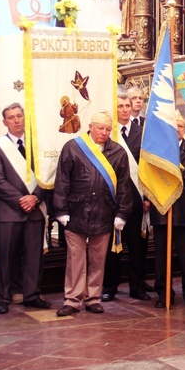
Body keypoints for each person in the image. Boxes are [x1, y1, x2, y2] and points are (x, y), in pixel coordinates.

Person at [53, 111, 133, 316]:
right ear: (91, 127)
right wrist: (61, 210)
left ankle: (94, 298)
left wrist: (122, 214)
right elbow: (62, 181)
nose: (104, 133)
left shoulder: (118, 152)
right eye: (100, 128)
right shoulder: (72, 148)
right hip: (76, 211)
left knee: (98, 260)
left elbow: (124, 186)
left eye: (108, 129)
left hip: (104, 213)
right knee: (75, 259)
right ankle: (72, 300)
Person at [0, 103, 51, 315]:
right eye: (11, 117)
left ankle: (32, 294)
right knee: (6, 257)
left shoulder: (37, 145)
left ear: (25, 118)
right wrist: (21, 200)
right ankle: (3, 297)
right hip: (9, 211)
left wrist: (35, 197)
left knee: (34, 256)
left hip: (35, 209)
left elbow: (47, 175)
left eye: (19, 116)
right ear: (4, 122)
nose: (16, 121)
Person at [151, 112, 185, 308]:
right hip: (162, 210)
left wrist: (181, 173)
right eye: (171, 127)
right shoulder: (154, 152)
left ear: (184, 130)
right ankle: (163, 294)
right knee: (161, 257)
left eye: (180, 127)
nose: (176, 131)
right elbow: (148, 179)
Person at [102, 92, 150, 302]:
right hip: (113, 200)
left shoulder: (143, 132)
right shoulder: (107, 133)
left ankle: (137, 287)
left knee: (138, 248)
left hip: (138, 200)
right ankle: (109, 287)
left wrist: (148, 196)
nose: (124, 109)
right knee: (113, 247)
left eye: (127, 106)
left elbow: (148, 166)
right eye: (120, 106)